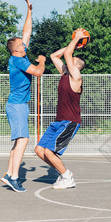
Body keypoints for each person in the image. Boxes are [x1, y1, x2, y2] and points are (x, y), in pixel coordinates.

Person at [1, 0, 46, 192]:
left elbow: (26, 32)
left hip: (16, 104)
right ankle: (14, 176)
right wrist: (42, 60)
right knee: (24, 140)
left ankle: (9, 173)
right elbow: (37, 72)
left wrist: (29, 11)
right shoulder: (18, 61)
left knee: (19, 140)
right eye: (21, 44)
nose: (24, 43)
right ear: (16, 49)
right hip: (17, 105)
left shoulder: (20, 54)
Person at [34, 28, 87, 189]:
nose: (70, 61)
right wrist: (74, 44)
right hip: (59, 121)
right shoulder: (65, 73)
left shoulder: (76, 77)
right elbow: (54, 56)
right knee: (39, 150)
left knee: (49, 152)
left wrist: (75, 40)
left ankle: (67, 176)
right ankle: (62, 173)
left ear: (77, 67)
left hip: (69, 121)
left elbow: (66, 55)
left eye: (73, 61)